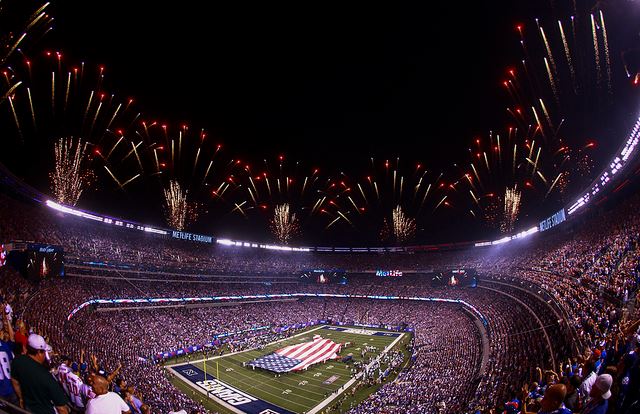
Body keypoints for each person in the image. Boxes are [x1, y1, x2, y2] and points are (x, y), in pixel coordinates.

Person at [10, 334, 69, 414]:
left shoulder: (17, 361)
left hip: (26, 408)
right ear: (39, 352)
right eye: (44, 352)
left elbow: (15, 381)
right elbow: (62, 409)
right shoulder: (47, 377)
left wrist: (21, 398)